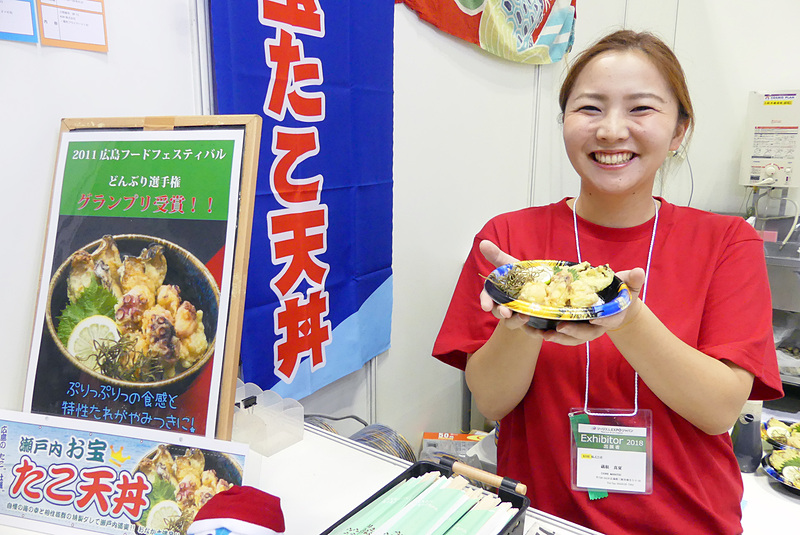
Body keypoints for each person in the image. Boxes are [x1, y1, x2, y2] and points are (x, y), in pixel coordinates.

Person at [433, 29, 783, 535]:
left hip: (686, 521)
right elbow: (491, 402)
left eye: (641, 109)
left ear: (679, 130)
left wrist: (628, 317)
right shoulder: (509, 240)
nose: (611, 130)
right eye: (590, 108)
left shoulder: (727, 242)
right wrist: (526, 315)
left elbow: (719, 410)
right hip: (545, 519)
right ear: (564, 122)